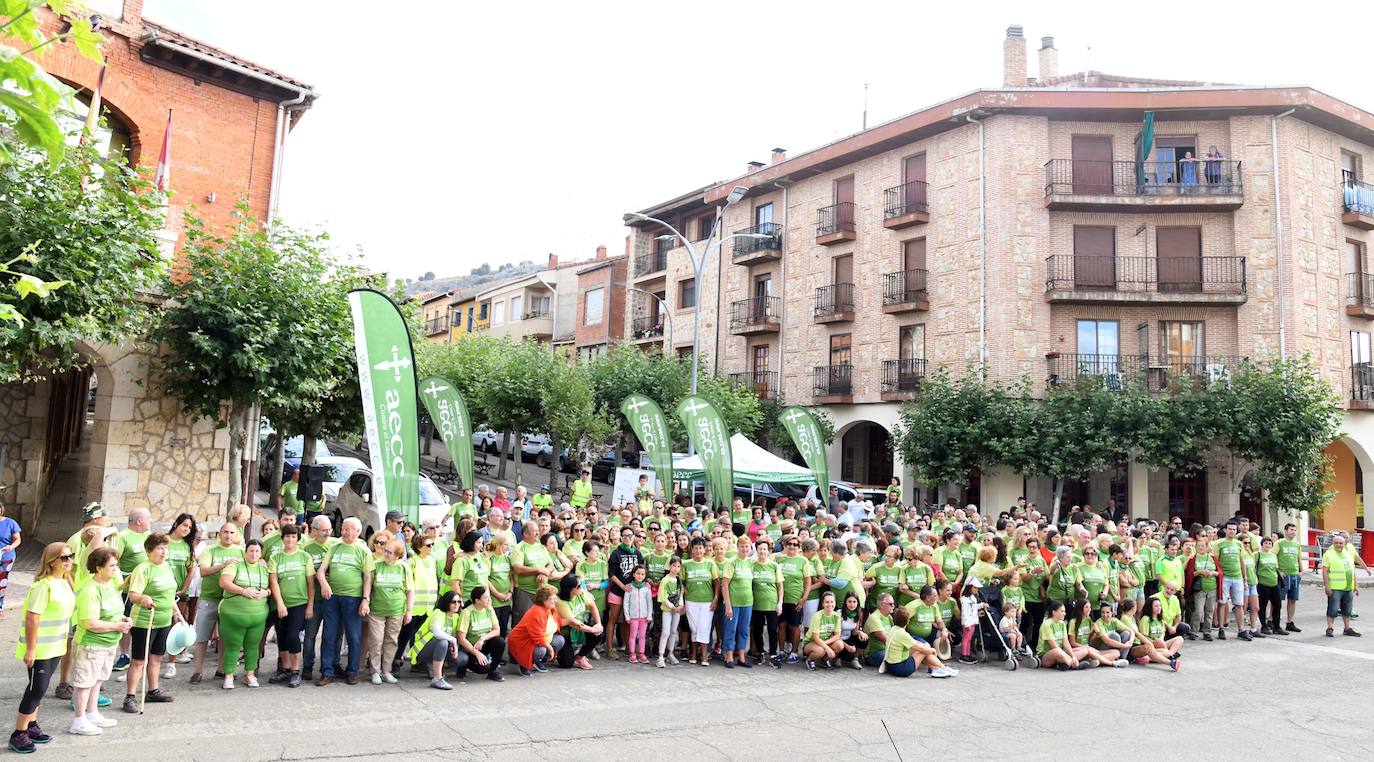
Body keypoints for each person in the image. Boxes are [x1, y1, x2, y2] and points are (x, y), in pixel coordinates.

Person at [10, 543, 75, 753]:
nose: (69, 561)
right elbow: (32, 618)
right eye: (64, 557)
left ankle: (31, 724)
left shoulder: (64, 582)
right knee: (36, 689)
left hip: (55, 645)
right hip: (40, 648)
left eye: (71, 556)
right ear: (51, 561)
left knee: (41, 687)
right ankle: (19, 733)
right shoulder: (43, 586)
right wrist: (30, 649)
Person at [69, 547, 129, 737]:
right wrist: (117, 626)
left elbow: (114, 610)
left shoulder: (110, 584)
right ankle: (79, 720)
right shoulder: (90, 589)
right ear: (98, 568)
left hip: (108, 642)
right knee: (85, 682)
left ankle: (92, 713)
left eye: (115, 565)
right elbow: (90, 623)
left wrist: (124, 620)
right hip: (91, 643)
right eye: (111, 565)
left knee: (97, 679)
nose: (115, 569)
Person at [124, 532, 182, 712]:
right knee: (139, 660)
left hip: (164, 619)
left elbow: (170, 594)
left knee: (156, 657)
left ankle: (153, 690)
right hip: (144, 620)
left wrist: (177, 612)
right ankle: (130, 696)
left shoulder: (166, 567)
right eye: (159, 548)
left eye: (166, 548)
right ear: (149, 551)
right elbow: (133, 595)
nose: (164, 552)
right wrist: (144, 599)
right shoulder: (143, 569)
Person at [315, 517, 375, 686]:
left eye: (349, 529)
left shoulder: (363, 551)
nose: (345, 531)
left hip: (353, 599)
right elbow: (320, 572)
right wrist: (324, 584)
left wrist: (365, 600)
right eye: (343, 528)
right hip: (332, 597)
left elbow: (368, 577)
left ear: (358, 531)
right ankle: (326, 672)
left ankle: (352, 671)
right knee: (329, 635)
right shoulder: (334, 548)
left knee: (353, 636)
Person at [190, 522, 244, 684]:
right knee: (202, 637)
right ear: (220, 534)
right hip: (209, 598)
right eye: (225, 532)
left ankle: (222, 669)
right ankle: (198, 671)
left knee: (225, 638)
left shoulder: (240, 552)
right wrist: (223, 565)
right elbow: (204, 571)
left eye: (232, 533)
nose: (228, 535)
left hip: (229, 600)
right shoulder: (210, 550)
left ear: (236, 535)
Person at [218, 538, 271, 690]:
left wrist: (266, 592)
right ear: (245, 551)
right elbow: (224, 582)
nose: (254, 554)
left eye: (257, 551)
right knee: (233, 645)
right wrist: (243, 591)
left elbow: (272, 587)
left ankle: (250, 674)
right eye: (251, 551)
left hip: (258, 616)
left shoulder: (264, 568)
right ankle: (228, 675)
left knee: (253, 646)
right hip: (233, 614)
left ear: (261, 554)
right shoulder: (235, 565)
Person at [267, 524, 315, 687]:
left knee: (293, 636)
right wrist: (280, 604)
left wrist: (310, 605)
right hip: (280, 604)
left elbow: (310, 583)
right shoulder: (275, 558)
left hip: (299, 603)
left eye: (293, 536)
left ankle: (295, 671)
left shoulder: (304, 557)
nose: (290, 539)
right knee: (282, 636)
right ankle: (285, 669)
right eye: (287, 536)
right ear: (283, 538)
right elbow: (273, 582)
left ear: (298, 539)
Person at [366, 538, 413, 685]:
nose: (386, 554)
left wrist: (409, 611)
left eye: (389, 552)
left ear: (398, 555)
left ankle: (386, 671)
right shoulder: (376, 565)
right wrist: (365, 600)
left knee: (391, 641)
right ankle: (375, 671)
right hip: (377, 610)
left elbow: (410, 591)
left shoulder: (404, 568)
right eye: (385, 550)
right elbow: (368, 585)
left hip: (396, 610)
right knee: (376, 641)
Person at [298, 516, 337, 682]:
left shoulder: (335, 545)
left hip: (332, 597)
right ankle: (307, 664)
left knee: (332, 634)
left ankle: (330, 665)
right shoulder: (307, 548)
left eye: (329, 530)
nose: (328, 533)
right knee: (310, 634)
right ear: (314, 531)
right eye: (324, 530)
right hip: (314, 598)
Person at [507, 584, 565, 677]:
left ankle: (536, 661)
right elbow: (538, 638)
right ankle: (524, 664)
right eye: (552, 598)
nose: (556, 600)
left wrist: (577, 623)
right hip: (522, 642)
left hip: (538, 640)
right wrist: (550, 650)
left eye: (555, 598)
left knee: (560, 640)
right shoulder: (537, 612)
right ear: (543, 600)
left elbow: (558, 623)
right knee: (541, 650)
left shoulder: (550, 609)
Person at [409, 591, 463, 690]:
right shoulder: (438, 613)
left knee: (462, 659)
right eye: (453, 602)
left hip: (439, 649)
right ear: (447, 602)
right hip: (422, 649)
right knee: (443, 643)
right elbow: (437, 632)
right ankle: (437, 679)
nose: (457, 604)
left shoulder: (456, 616)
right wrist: (453, 640)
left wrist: (454, 645)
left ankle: (434, 667)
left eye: (459, 602)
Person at [882, 608, 956, 678]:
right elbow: (922, 649)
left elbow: (913, 643)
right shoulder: (903, 634)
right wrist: (933, 650)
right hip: (900, 669)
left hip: (890, 666)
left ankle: (936, 668)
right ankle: (942, 667)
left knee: (922, 648)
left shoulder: (893, 629)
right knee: (924, 651)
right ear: (908, 621)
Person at [605, 526, 643, 659]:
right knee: (613, 620)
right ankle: (609, 648)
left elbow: (641, 571)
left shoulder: (637, 553)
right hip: (617, 591)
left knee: (627, 621)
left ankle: (629, 647)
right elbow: (611, 574)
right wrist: (623, 586)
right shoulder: (616, 553)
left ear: (634, 537)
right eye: (625, 535)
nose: (628, 538)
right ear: (621, 537)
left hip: (631, 592)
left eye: (630, 535)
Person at [454, 586, 506, 682]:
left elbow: (497, 630)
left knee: (500, 642)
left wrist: (482, 638)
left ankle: (493, 671)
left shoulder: (489, 609)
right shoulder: (467, 613)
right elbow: (461, 639)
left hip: (483, 644)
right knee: (483, 668)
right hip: (470, 648)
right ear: (477, 600)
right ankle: (464, 666)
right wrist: (477, 653)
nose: (489, 600)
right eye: (485, 598)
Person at [774, 535, 811, 664]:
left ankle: (794, 652)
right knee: (782, 625)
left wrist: (804, 598)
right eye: (790, 543)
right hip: (781, 599)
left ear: (799, 547)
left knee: (794, 626)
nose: (792, 546)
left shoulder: (803, 561)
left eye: (795, 544)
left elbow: (808, 581)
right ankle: (782, 651)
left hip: (796, 598)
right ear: (785, 545)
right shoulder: (779, 559)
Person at [681, 537, 717, 666]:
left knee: (704, 628)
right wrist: (683, 593)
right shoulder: (686, 564)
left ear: (704, 549)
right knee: (694, 628)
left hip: (707, 601)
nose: (698, 550)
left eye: (700, 548)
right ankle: (693, 654)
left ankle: (704, 656)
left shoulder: (710, 563)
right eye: (695, 547)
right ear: (692, 549)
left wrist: (715, 599)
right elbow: (681, 582)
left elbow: (717, 583)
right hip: (691, 600)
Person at [720, 535, 754, 669]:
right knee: (730, 629)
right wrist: (728, 605)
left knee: (744, 630)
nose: (744, 549)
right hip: (733, 602)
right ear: (737, 547)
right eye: (742, 546)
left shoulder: (750, 563)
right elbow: (724, 584)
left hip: (747, 602)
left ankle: (741, 655)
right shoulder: (731, 562)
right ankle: (728, 654)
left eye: (747, 546)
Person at [509, 522, 552, 625]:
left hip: (542, 592)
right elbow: (518, 568)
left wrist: (544, 573)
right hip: (525, 592)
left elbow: (550, 564)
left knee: (540, 622)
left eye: (537, 530)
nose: (538, 533)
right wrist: (538, 570)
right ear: (526, 534)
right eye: (535, 531)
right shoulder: (519, 548)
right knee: (523, 622)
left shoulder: (541, 547)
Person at [750, 539, 783, 668]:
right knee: (757, 630)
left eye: (765, 549)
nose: (762, 551)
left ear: (769, 551)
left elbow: (780, 586)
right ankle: (760, 652)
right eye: (760, 549)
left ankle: (773, 655)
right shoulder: (752, 565)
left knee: (772, 630)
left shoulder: (774, 566)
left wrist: (779, 603)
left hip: (772, 603)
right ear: (757, 551)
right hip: (756, 603)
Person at [1214, 521, 1249, 641]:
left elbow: (1242, 562)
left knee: (1239, 604)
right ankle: (1221, 628)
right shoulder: (1219, 543)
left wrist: (1245, 579)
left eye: (1234, 529)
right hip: (1225, 577)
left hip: (1238, 577)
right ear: (1225, 530)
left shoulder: (1239, 544)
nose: (1232, 531)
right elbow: (1216, 561)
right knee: (1222, 603)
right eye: (1230, 529)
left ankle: (1241, 630)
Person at [1323, 531, 1361, 638]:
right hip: (1335, 588)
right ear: (1333, 543)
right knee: (1333, 609)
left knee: (1347, 609)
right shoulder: (1329, 554)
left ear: (1344, 544)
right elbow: (1325, 571)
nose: (1339, 545)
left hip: (1348, 587)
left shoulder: (1348, 555)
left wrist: (1356, 585)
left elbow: (1352, 571)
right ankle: (1330, 628)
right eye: (1336, 543)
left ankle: (1347, 628)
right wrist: (1327, 585)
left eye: (1341, 543)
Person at [801, 590, 842, 670]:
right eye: (827, 602)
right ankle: (810, 660)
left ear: (835, 603)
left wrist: (825, 645)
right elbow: (815, 637)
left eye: (832, 602)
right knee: (821, 650)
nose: (830, 604)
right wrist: (827, 648)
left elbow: (837, 635)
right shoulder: (817, 616)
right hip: (811, 642)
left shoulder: (836, 616)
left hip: (824, 641)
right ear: (822, 604)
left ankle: (824, 660)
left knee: (839, 645)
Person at [656, 556, 685, 668]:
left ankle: (670, 654)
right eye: (674, 566)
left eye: (678, 566)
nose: (676, 568)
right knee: (666, 632)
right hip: (668, 610)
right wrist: (672, 607)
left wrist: (680, 605)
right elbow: (663, 597)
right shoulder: (665, 580)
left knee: (673, 632)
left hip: (677, 610)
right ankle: (660, 656)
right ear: (669, 566)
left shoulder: (679, 580)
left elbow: (680, 594)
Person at [622, 566, 654, 665]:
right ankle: (632, 653)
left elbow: (650, 603)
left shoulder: (647, 588)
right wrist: (627, 616)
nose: (640, 576)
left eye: (642, 574)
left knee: (642, 636)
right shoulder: (629, 587)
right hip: (633, 617)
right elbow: (625, 603)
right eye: (638, 573)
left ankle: (641, 653)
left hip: (644, 617)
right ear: (634, 574)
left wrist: (649, 615)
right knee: (633, 635)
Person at [1255, 536, 1285, 636]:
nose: (1268, 545)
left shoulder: (1273, 555)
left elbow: (1275, 568)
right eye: (1266, 543)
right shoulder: (1258, 555)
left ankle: (1277, 627)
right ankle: (1263, 626)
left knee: (1277, 605)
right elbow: (1254, 568)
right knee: (1262, 606)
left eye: (1269, 543)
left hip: (1274, 583)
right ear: (1262, 544)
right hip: (1263, 584)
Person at [1036, 600, 1078, 671]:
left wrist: (1073, 656)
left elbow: (1066, 643)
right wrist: (1069, 656)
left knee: (1083, 650)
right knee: (1057, 651)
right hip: (1045, 655)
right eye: (1062, 611)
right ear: (1054, 612)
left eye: (1064, 611)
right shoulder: (1047, 624)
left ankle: (1066, 663)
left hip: (1061, 652)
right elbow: (1053, 646)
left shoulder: (1062, 624)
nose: (1064, 614)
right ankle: (1075, 665)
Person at [1277, 523, 1304, 632]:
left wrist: (1301, 571)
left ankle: (1290, 622)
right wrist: (1278, 571)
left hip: (1295, 575)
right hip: (1284, 576)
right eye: (1291, 530)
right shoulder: (1279, 543)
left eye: (1294, 530)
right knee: (1278, 600)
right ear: (1286, 531)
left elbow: (1299, 558)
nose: (1293, 532)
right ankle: (1273, 621)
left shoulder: (1297, 544)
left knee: (1292, 600)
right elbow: (1273, 556)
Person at [0, 502, 22, 616]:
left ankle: (0, 606)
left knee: (1, 582)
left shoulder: (10, 523)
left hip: (6, 557)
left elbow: (17, 539)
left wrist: (11, 547)